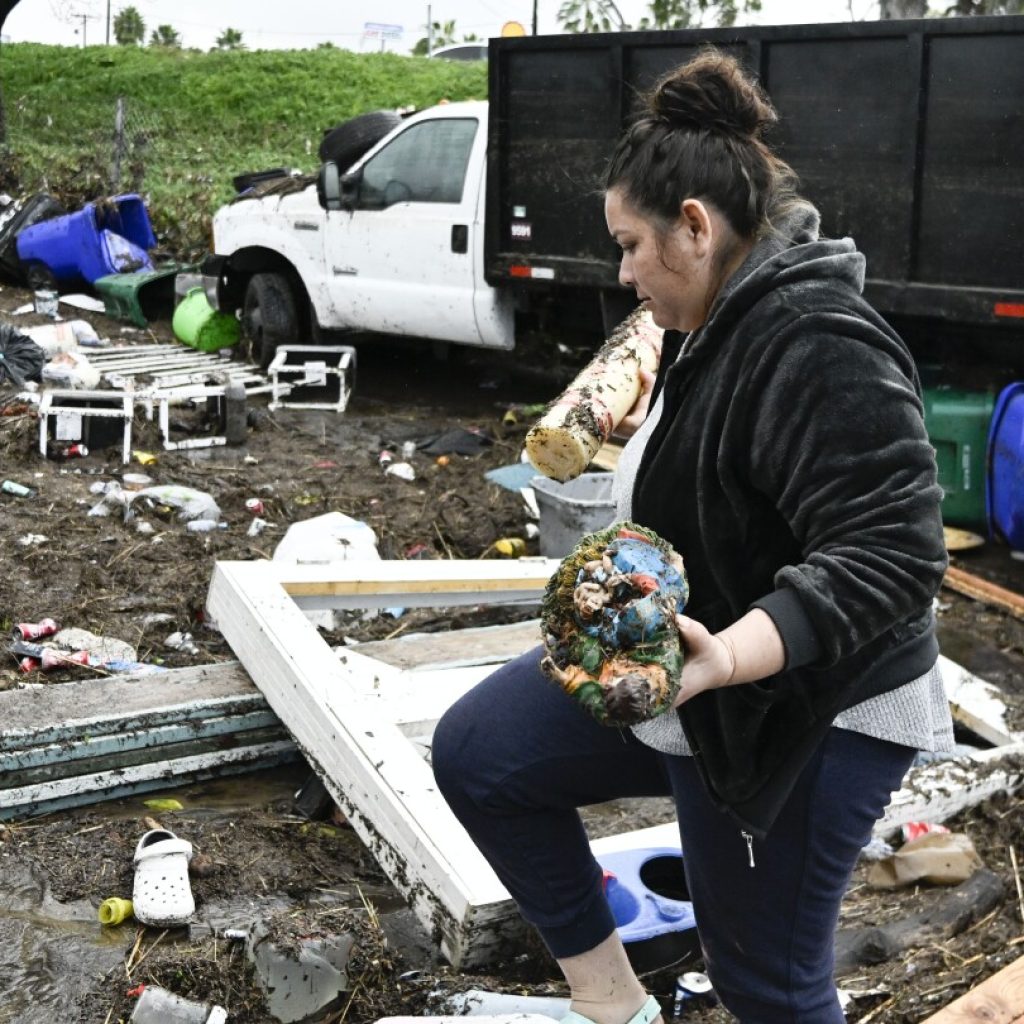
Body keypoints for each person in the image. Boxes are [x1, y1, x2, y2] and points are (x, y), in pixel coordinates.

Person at [432, 48, 951, 1024]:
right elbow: (725, 472)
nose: (624, 273)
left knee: (769, 988)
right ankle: (610, 1004)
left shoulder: (816, 339)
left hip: (806, 708)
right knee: (480, 753)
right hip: (692, 667)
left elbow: (894, 554)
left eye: (631, 245)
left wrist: (731, 655)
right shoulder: (711, 310)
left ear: (697, 226)